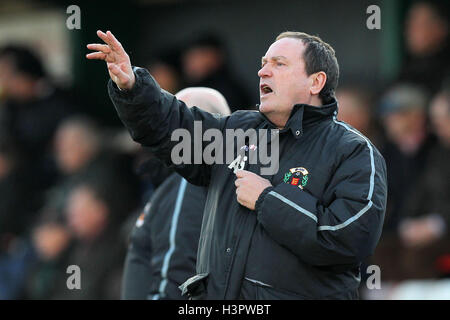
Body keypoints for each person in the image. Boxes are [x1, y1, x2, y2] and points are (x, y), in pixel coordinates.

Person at [87, 30, 387, 300]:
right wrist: (133, 85)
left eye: (278, 64)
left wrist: (267, 200)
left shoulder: (354, 152)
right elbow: (174, 127)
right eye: (263, 63)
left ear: (316, 81)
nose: (262, 71)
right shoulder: (237, 132)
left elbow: (346, 239)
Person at [121, 87, 231, 300]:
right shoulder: (202, 181)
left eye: (174, 120)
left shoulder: (187, 185)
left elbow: (175, 271)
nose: (163, 131)